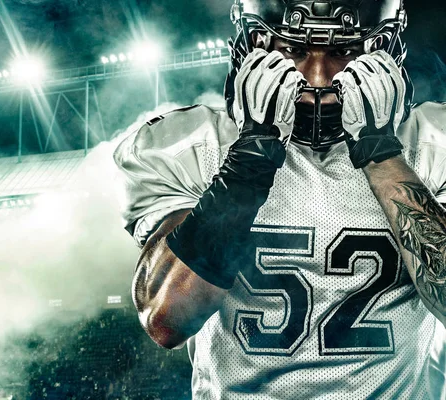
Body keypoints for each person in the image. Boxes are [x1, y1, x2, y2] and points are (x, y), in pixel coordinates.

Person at [114, 0, 446, 398]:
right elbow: (166, 319)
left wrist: (382, 154)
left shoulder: (431, 145)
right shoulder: (195, 146)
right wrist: (249, 160)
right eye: (294, 51)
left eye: (344, 52)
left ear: (384, 51)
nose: (319, 79)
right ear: (255, 46)